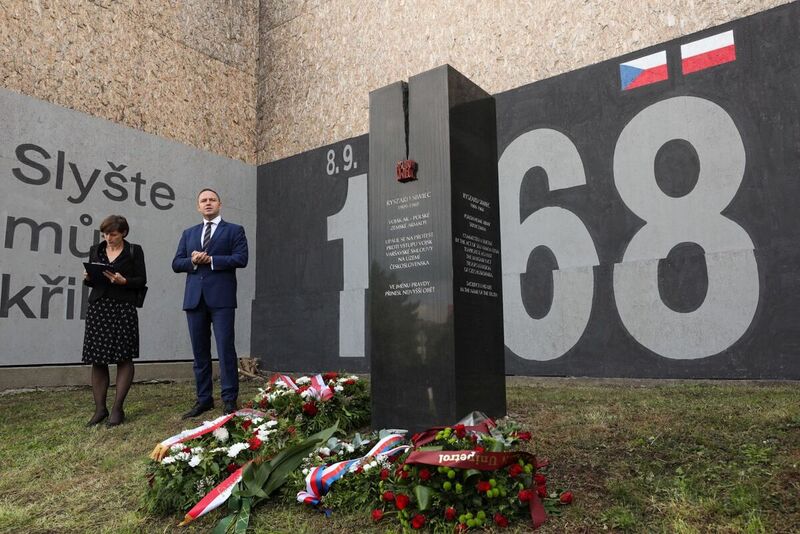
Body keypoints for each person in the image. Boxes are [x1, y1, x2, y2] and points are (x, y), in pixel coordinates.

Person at [172, 188, 248, 418]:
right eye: (203, 201)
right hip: (195, 300)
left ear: (220, 204)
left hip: (222, 299)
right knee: (200, 352)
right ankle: (204, 400)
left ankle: (229, 399)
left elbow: (241, 259)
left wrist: (212, 260)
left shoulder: (234, 230)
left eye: (212, 200)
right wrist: (193, 261)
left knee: (225, 349)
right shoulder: (188, 233)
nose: (208, 203)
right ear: (198, 206)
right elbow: (176, 263)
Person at [82, 215, 147, 427]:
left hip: (123, 308)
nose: (108, 238)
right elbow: (93, 282)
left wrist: (124, 280)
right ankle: (100, 409)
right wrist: (88, 278)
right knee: (97, 358)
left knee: (124, 357)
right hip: (99, 308)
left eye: (113, 234)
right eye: (105, 234)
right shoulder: (96, 250)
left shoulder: (133, 250)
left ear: (123, 233)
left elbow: (141, 280)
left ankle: (118, 408)